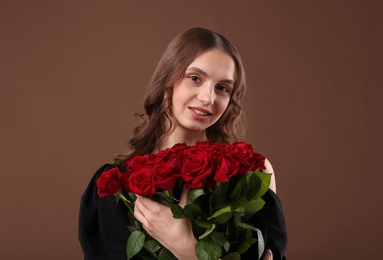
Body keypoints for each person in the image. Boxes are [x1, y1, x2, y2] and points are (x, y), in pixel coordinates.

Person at [79, 27, 287, 260]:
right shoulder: (115, 186)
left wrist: (186, 248)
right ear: (168, 78)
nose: (208, 98)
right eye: (195, 78)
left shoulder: (251, 174)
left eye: (222, 88)